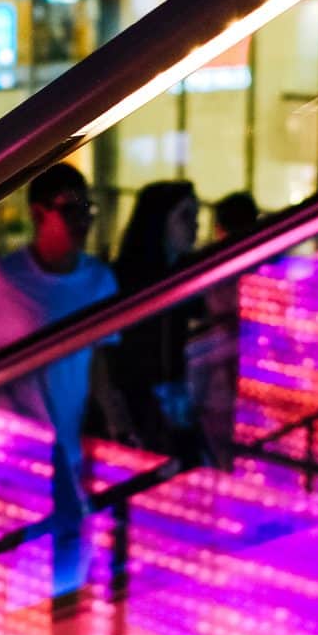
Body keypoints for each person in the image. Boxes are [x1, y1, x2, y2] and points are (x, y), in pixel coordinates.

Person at [0, 163, 125, 593]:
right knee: (22, 551)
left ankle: (48, 630)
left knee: (66, 549)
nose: (83, 219)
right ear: (39, 214)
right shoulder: (3, 277)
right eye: (70, 208)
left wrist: (116, 423)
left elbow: (102, 366)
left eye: (86, 208)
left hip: (64, 446)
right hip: (8, 445)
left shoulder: (98, 281)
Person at [109, 181, 203, 459]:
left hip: (179, 404)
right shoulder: (127, 281)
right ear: (159, 221)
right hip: (140, 407)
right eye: (185, 216)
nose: (195, 226)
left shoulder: (190, 277)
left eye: (196, 216)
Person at [187, 191, 260, 462]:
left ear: (219, 229)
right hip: (243, 384)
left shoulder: (213, 268)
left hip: (221, 385)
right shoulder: (265, 265)